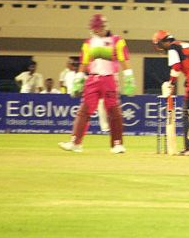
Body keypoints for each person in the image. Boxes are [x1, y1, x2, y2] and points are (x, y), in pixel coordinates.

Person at [58, 14, 135, 154]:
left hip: (109, 78)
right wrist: (79, 78)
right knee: (84, 111)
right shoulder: (88, 43)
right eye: (93, 29)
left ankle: (117, 144)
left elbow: (124, 60)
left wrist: (129, 77)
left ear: (102, 27)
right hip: (92, 79)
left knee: (113, 111)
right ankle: (75, 143)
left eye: (96, 28)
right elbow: (84, 62)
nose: (94, 31)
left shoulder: (117, 41)